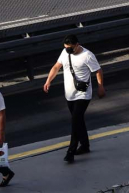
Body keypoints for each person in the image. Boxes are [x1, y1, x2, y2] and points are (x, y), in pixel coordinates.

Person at [43, 35, 105, 163]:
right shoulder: (65, 53)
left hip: (83, 94)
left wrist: (100, 87)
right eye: (66, 48)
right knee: (78, 120)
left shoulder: (87, 55)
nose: (68, 50)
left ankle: (71, 151)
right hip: (69, 94)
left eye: (70, 48)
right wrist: (48, 80)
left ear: (77, 44)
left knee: (75, 120)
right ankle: (85, 145)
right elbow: (56, 67)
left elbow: (98, 71)